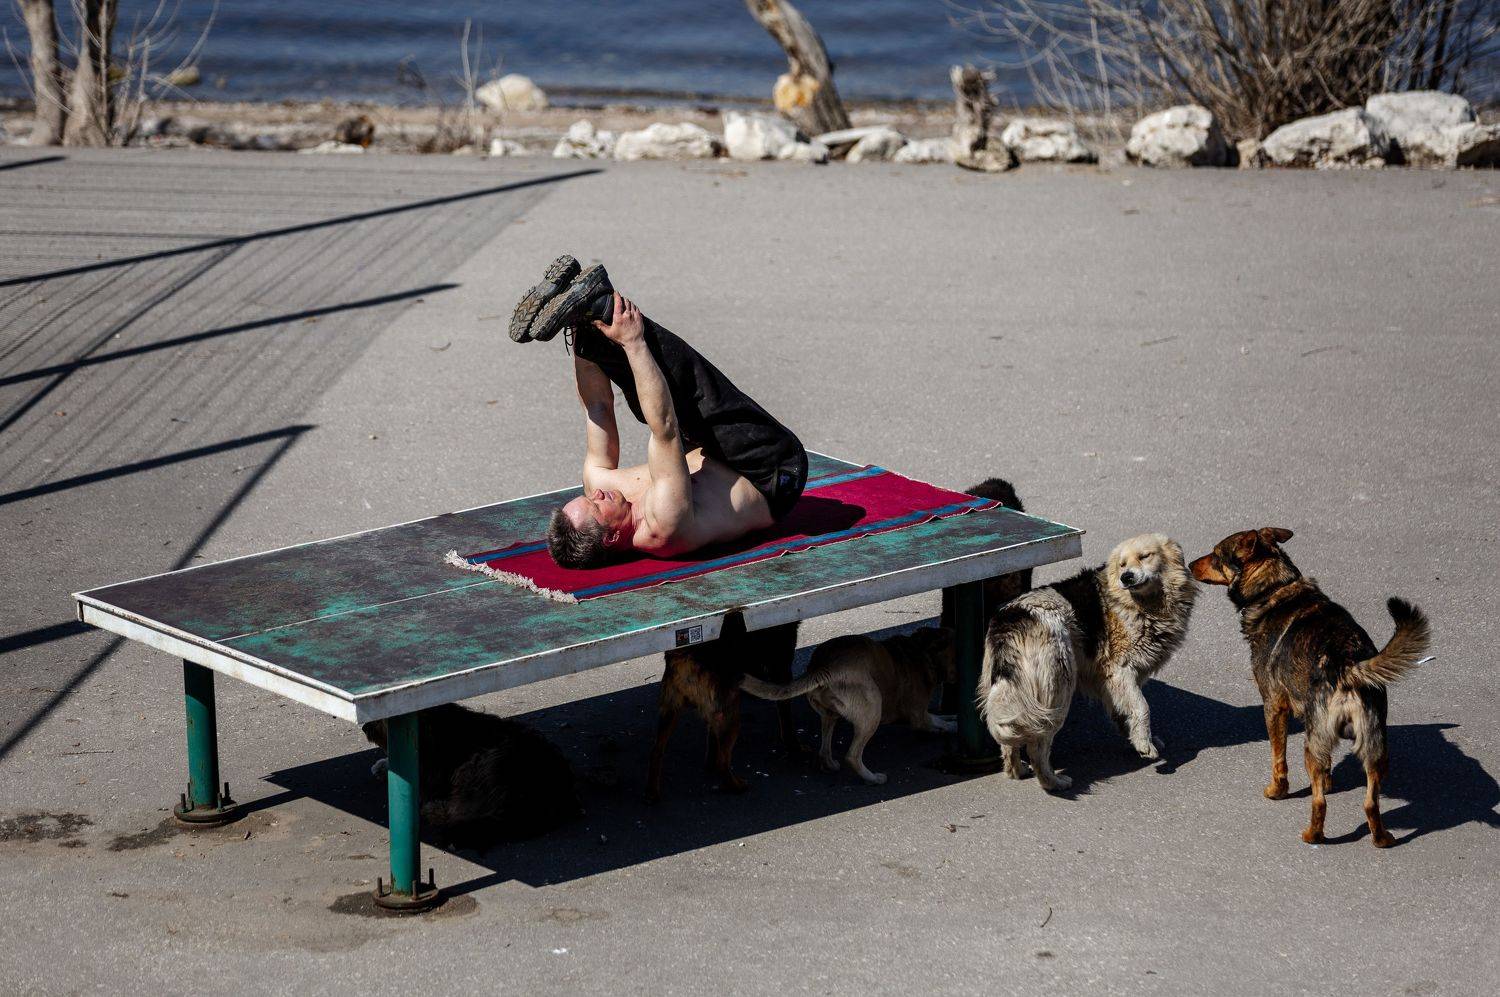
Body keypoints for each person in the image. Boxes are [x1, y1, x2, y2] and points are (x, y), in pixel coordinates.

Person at [509, 255, 807, 568]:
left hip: (708, 454)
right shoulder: (663, 524)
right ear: (611, 537)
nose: (597, 493)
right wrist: (633, 343)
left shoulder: (604, 492)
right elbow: (665, 427)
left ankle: (585, 318)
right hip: (771, 472)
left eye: (589, 497)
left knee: (647, 399)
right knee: (687, 398)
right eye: (596, 505)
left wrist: (581, 341)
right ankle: (603, 304)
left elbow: (597, 408)